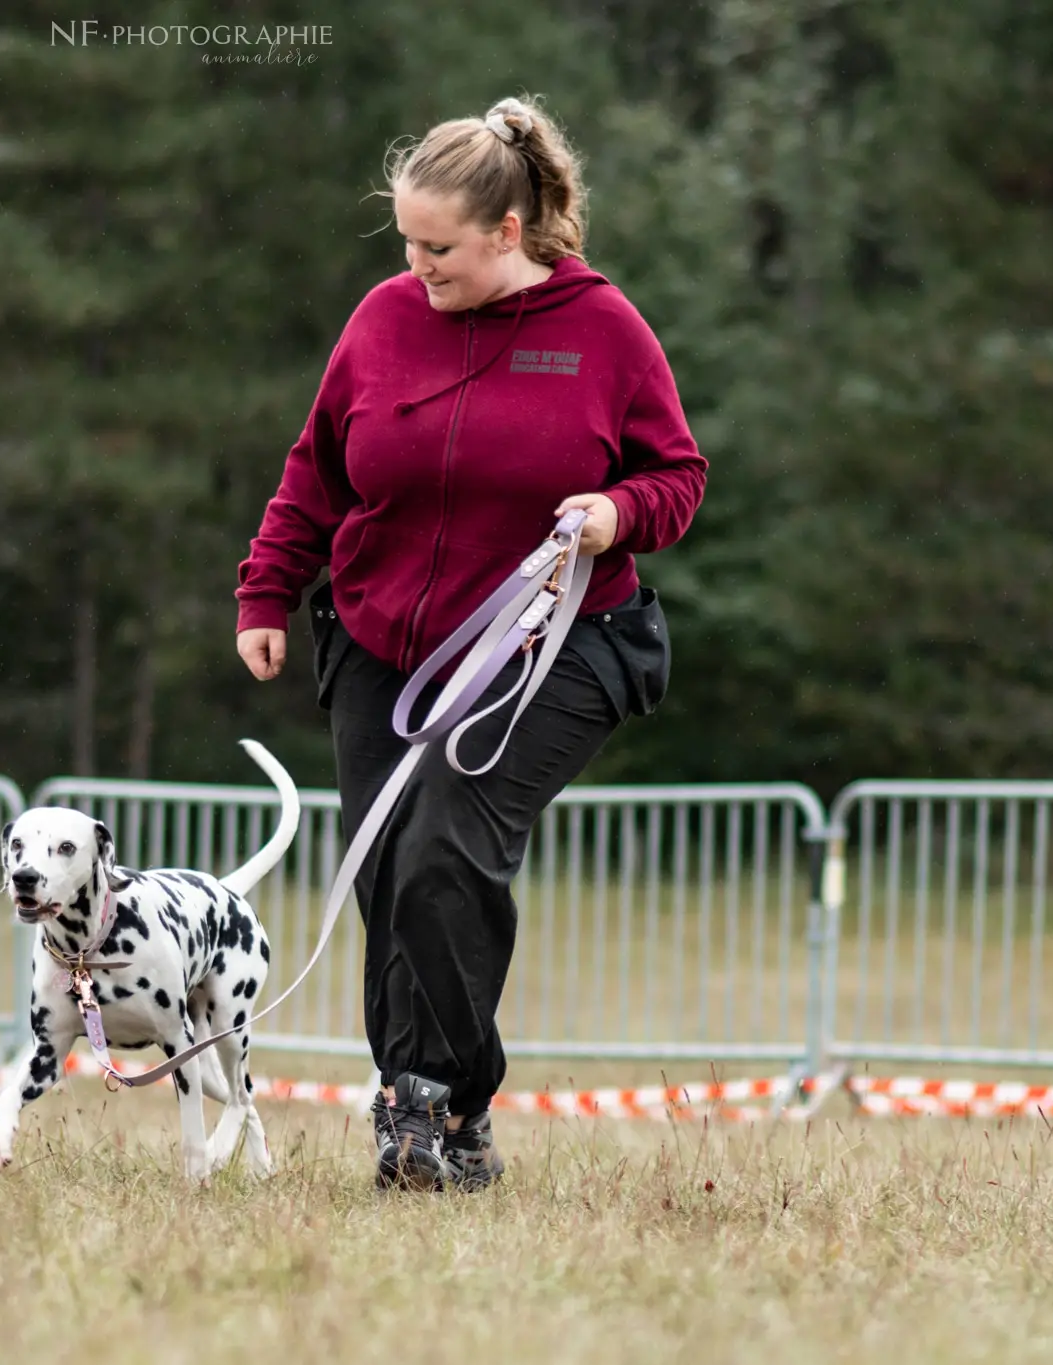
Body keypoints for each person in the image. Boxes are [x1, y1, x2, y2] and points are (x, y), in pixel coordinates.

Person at [234, 94, 708, 1191]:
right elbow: (318, 469)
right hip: (380, 640)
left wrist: (614, 514)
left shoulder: (603, 329)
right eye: (404, 240)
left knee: (447, 839)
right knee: (390, 876)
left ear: (506, 233)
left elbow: (675, 479)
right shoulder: (383, 318)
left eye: (437, 246)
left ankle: (438, 1096)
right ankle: (423, 1116)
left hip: (553, 641)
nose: (416, 264)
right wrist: (266, 590)